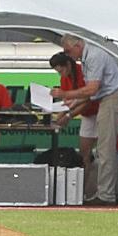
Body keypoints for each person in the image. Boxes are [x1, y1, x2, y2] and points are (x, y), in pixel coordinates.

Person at [52, 34, 118, 206]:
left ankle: (106, 195)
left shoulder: (93, 57)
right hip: (108, 99)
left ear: (78, 45)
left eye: (67, 50)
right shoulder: (87, 58)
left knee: (104, 149)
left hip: (111, 99)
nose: (67, 54)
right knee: (107, 148)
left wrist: (66, 95)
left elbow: (92, 89)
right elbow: (91, 93)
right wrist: (72, 103)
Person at [50, 52, 100, 201]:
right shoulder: (65, 78)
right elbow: (66, 103)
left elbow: (87, 99)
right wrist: (56, 119)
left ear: (68, 65)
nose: (61, 74)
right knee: (84, 154)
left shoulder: (84, 72)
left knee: (103, 153)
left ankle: (99, 190)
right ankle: (82, 192)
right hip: (87, 116)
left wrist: (69, 116)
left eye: (61, 70)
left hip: (98, 111)